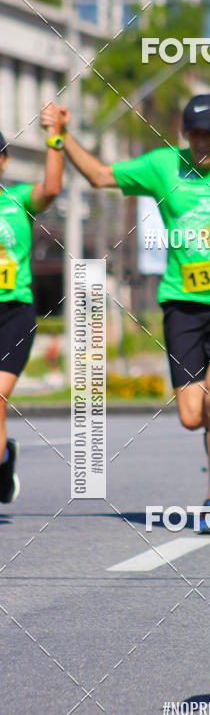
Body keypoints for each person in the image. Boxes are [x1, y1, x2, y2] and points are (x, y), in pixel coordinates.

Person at [41, 95, 210, 528]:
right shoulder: (163, 166)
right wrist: (61, 137)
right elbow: (100, 176)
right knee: (192, 415)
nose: (202, 143)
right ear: (184, 135)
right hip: (181, 304)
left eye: (209, 135)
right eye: (194, 135)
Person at [0, 113, 64, 502]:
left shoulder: (18, 199)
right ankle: (4, 458)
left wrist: (54, 136)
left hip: (13, 314)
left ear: (4, 161)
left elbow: (52, 188)